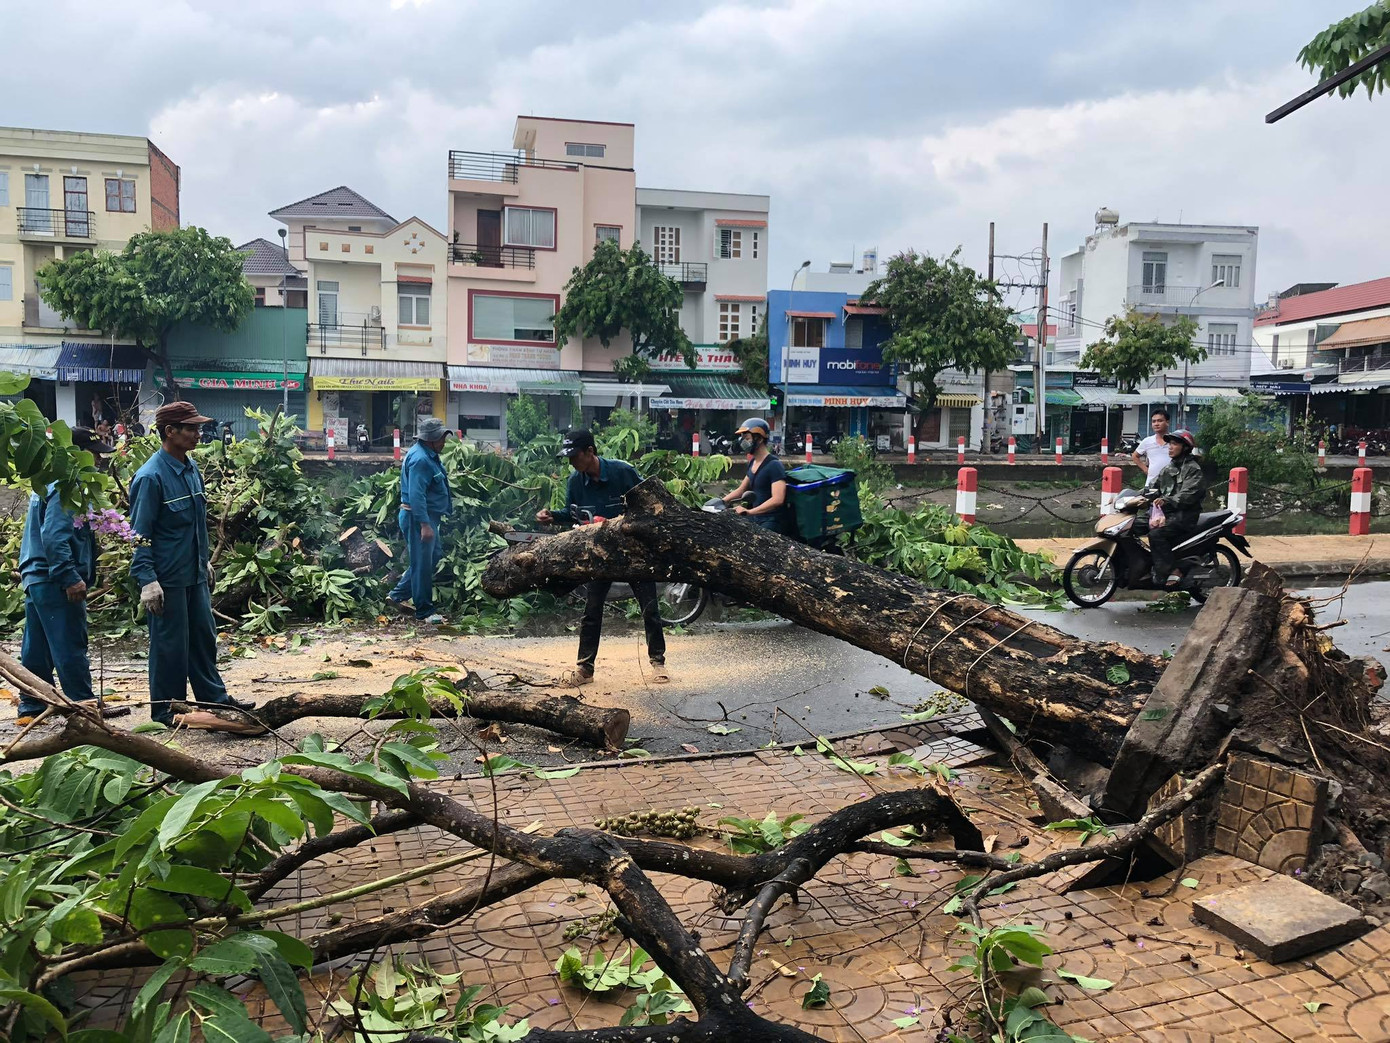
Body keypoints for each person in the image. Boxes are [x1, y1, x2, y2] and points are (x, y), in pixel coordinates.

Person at [129, 401, 254, 726]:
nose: (199, 433)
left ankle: (214, 700)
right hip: (167, 580)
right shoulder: (150, 478)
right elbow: (138, 535)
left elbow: (196, 524)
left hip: (194, 574)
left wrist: (205, 563)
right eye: (192, 428)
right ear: (170, 432)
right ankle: (167, 711)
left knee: (203, 639)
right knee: (169, 648)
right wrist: (147, 580)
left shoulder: (190, 468)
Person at [535, 429, 668, 687]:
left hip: (633, 552)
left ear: (590, 452)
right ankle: (585, 669)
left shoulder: (622, 472)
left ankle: (658, 662)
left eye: (575, 456)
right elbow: (572, 514)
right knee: (592, 610)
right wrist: (554, 516)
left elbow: (650, 506)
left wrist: (618, 523)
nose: (572, 462)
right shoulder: (575, 482)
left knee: (649, 608)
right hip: (599, 555)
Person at [15, 428, 114, 725]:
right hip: (53, 577)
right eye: (94, 453)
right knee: (69, 643)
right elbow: (55, 535)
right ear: (77, 455)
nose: (98, 460)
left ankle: (32, 705)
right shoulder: (68, 486)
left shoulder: (47, 482)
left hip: (36, 575)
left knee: (38, 646)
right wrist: (69, 576)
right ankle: (83, 709)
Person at [386, 416, 453, 624]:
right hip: (418, 519)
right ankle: (424, 611)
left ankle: (397, 595)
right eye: (442, 438)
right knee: (422, 564)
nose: (444, 442)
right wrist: (424, 524)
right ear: (431, 439)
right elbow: (416, 496)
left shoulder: (428, 454)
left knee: (432, 557)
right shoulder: (421, 460)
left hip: (427, 518)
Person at [1147, 429, 1207, 589]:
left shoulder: (1193, 469)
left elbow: (1188, 495)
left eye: (1174, 444)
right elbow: (1153, 487)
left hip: (1184, 516)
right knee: (1133, 524)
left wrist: (1166, 500)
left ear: (1185, 447)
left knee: (1156, 534)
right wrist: (1133, 498)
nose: (1170, 447)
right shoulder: (1169, 468)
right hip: (1167, 514)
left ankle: (1171, 570)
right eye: (1170, 444)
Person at [722, 417, 791, 532]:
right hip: (756, 518)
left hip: (771, 521)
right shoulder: (753, 462)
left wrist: (749, 512)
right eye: (742, 438)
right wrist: (722, 501)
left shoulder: (774, 465)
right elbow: (741, 490)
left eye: (747, 438)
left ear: (759, 439)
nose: (743, 442)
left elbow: (778, 499)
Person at [1132, 410, 1173, 486]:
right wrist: (1146, 470)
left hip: (1171, 484)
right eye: (1154, 421)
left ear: (1167, 422)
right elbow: (1135, 456)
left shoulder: (1174, 441)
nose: (1156, 424)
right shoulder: (1147, 441)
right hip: (1151, 484)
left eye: (1160, 421)